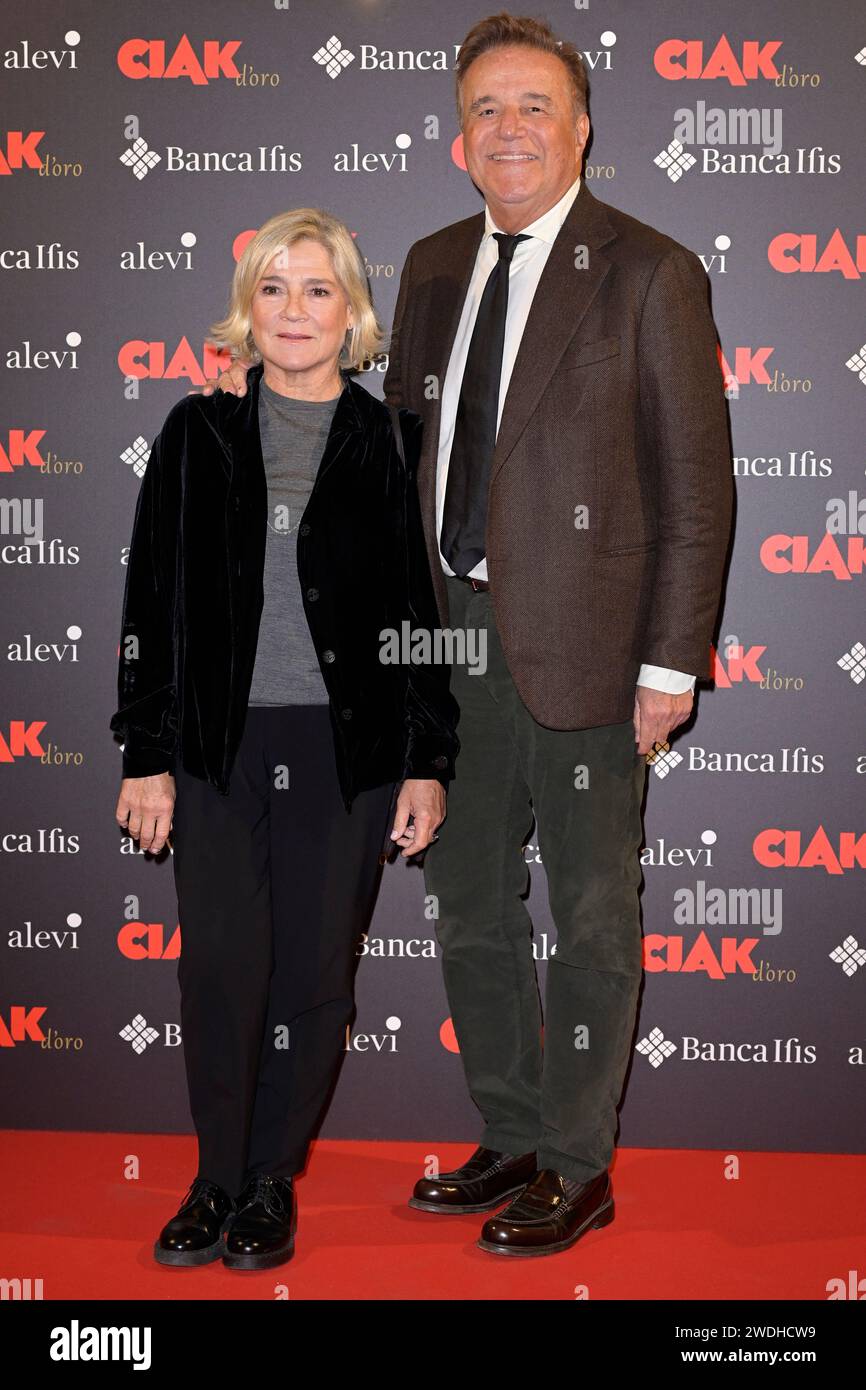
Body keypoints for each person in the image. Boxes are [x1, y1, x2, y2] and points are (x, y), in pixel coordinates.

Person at [206, 11, 733, 1260]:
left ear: (581, 126)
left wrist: (670, 662)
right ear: (458, 137)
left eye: (533, 106)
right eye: (486, 110)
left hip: (597, 647)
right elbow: (392, 459)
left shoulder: (651, 270)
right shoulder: (437, 261)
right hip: (444, 642)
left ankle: (577, 1161)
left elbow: (697, 486)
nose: (509, 129)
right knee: (466, 900)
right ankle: (508, 1129)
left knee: (594, 909)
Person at [110, 207, 459, 1271]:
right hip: (215, 749)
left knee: (312, 974)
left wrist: (424, 760)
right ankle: (214, 1177)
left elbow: (415, 612)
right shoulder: (193, 432)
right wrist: (145, 752)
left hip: (342, 754)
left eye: (317, 289)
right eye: (274, 287)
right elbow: (151, 599)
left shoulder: (387, 442)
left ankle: (269, 1183)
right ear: (245, 309)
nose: (295, 309)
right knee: (222, 968)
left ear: (351, 310)